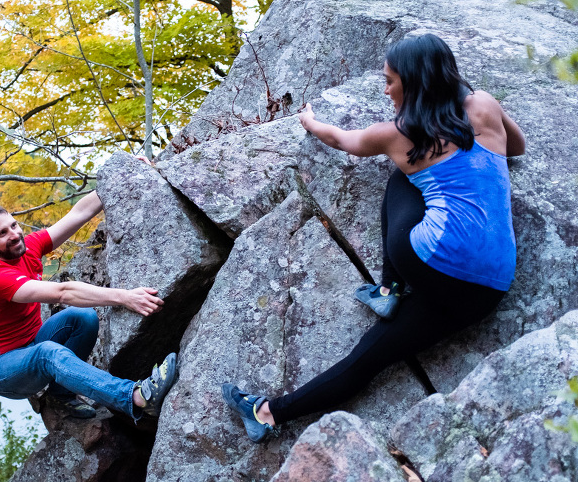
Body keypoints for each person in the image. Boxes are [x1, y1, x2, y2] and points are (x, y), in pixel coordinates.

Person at [222, 33, 526, 442]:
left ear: (413, 83)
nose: (385, 90)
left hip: (428, 258)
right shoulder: (485, 104)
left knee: (403, 178)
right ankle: (268, 414)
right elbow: (517, 146)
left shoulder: (399, 134)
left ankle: (388, 287)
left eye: (390, 81)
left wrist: (309, 121)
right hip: (490, 285)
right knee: (374, 353)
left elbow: (339, 139)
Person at [0, 181, 178, 421]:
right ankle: (136, 397)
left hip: (33, 345)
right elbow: (62, 292)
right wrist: (125, 297)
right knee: (47, 353)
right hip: (2, 371)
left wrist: (120, 175)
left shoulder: (28, 249)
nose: (15, 235)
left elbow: (79, 214)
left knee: (84, 316)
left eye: (14, 225)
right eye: (2, 233)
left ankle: (60, 394)